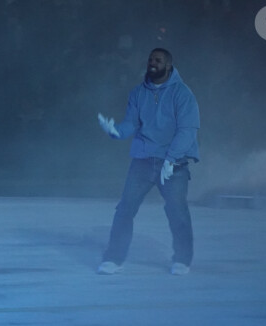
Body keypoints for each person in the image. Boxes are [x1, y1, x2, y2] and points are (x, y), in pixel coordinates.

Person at [97, 48, 199, 276]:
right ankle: (114, 258)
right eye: (150, 59)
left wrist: (171, 160)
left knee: (177, 211)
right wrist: (115, 130)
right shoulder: (138, 93)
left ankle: (182, 259)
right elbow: (131, 124)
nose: (152, 63)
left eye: (158, 60)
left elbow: (187, 131)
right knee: (125, 209)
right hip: (143, 160)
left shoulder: (182, 94)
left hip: (174, 163)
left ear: (169, 66)